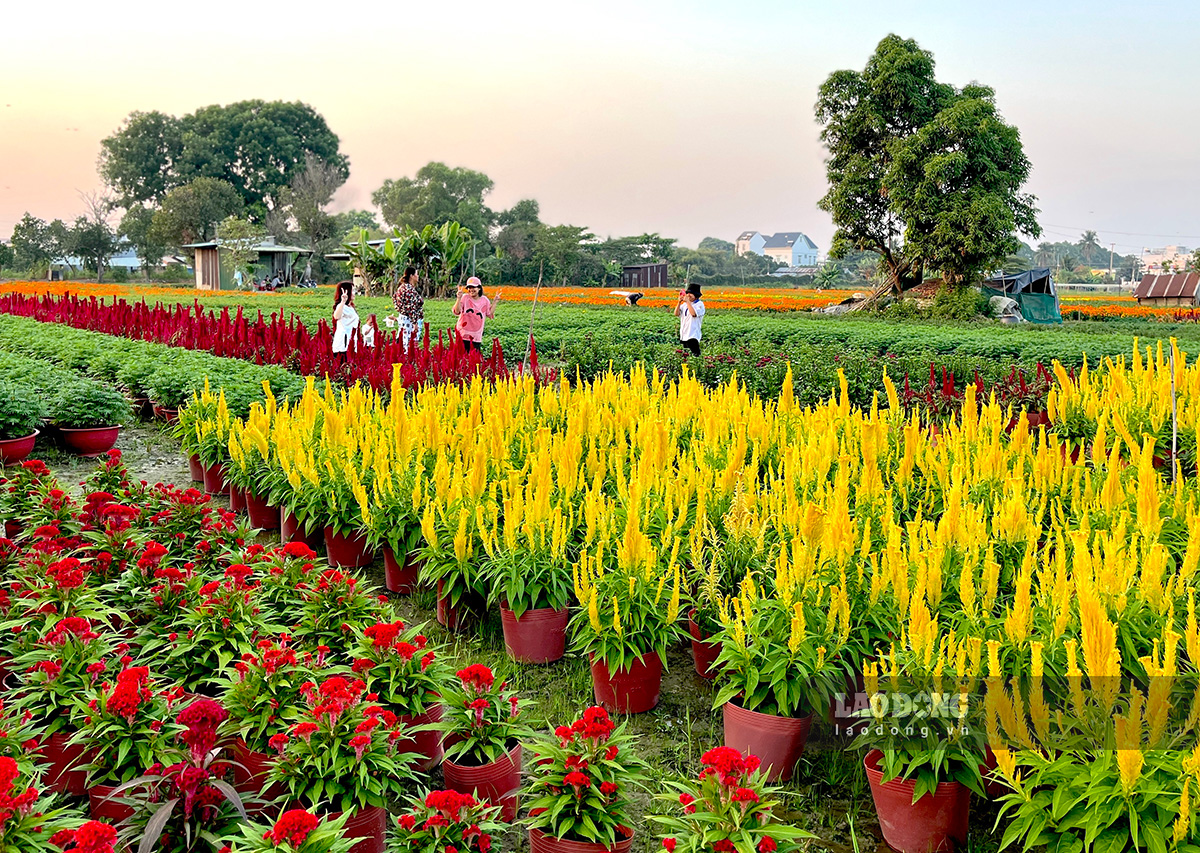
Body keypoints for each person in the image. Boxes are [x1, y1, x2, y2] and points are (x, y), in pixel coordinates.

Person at [452, 276, 499, 353]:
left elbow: (489, 313)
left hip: (476, 337)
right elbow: (457, 311)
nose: (471, 290)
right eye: (469, 287)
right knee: (460, 359)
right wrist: (458, 298)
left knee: (474, 360)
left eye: (473, 287)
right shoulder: (465, 298)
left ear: (479, 288)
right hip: (462, 335)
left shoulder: (485, 300)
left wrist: (495, 302)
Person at [392, 266, 424, 352]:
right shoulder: (408, 289)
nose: (418, 276)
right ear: (411, 276)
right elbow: (411, 307)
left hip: (404, 319)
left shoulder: (402, 287)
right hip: (409, 321)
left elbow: (394, 300)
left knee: (405, 341)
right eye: (416, 274)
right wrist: (414, 323)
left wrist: (401, 311)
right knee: (408, 344)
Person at [675, 283, 705, 356]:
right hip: (684, 334)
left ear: (696, 295)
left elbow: (693, 314)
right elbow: (676, 313)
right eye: (687, 293)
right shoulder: (684, 305)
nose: (688, 295)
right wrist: (679, 302)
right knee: (686, 355)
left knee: (695, 354)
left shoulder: (699, 305)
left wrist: (688, 302)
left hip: (693, 335)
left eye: (691, 294)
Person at [332, 280, 359, 359]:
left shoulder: (350, 307)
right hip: (343, 343)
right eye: (353, 290)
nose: (354, 293)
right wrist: (343, 301)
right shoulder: (341, 306)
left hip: (351, 342)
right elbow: (336, 316)